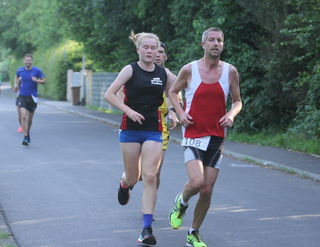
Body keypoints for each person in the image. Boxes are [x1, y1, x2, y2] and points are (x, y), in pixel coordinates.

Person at [168, 27, 242, 247]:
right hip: (193, 132)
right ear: (203, 45)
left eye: (219, 40)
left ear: (223, 44)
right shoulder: (189, 69)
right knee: (197, 182)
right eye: (211, 40)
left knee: (207, 189)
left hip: (217, 135)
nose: (215, 43)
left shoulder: (230, 71)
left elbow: (237, 101)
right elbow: (172, 92)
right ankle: (181, 203)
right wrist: (181, 113)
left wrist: (231, 114)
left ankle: (193, 233)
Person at [104, 32, 176, 245]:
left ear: (158, 51)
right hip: (130, 130)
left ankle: (146, 229)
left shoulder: (164, 73)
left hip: (154, 129)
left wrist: (172, 111)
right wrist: (128, 111)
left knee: (150, 176)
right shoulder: (130, 70)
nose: (150, 51)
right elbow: (109, 94)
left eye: (153, 48)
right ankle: (125, 183)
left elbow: (175, 91)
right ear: (138, 49)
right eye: (146, 47)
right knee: (134, 177)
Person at [13, 54, 45, 145]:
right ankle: (25, 136)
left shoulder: (37, 71)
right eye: (26, 60)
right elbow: (16, 80)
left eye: (29, 60)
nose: (28, 62)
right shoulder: (20, 70)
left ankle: (28, 134)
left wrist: (37, 80)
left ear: (32, 61)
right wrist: (16, 85)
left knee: (29, 119)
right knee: (23, 116)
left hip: (32, 97)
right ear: (24, 61)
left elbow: (44, 80)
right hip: (22, 96)